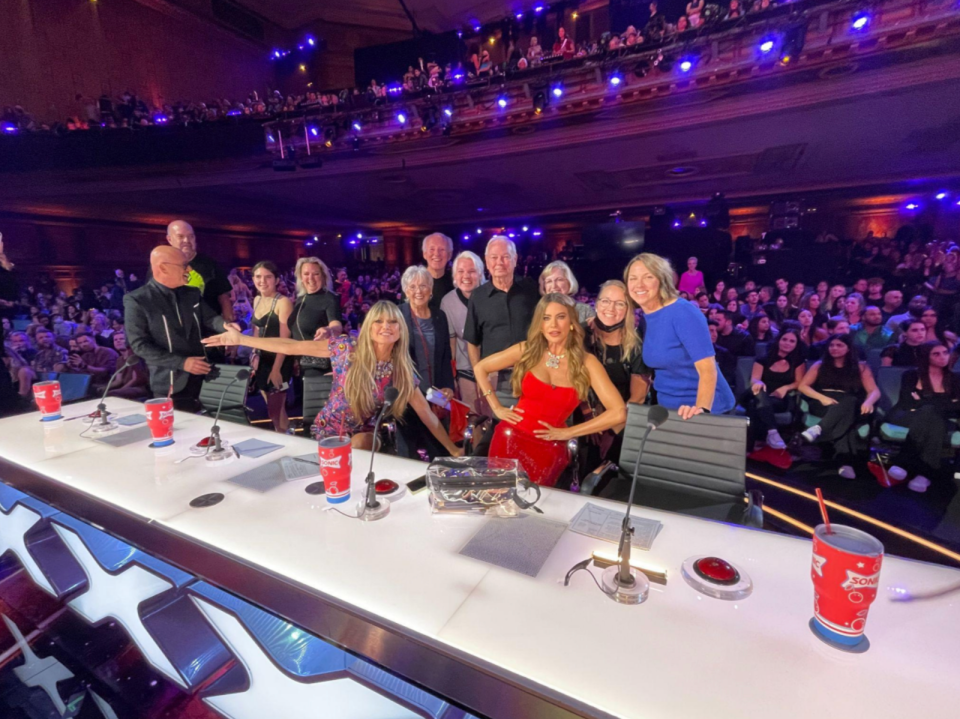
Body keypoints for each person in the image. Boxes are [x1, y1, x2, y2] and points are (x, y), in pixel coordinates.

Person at [202, 302, 461, 459]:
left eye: (393, 321)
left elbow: (428, 415)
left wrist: (452, 449)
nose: (386, 326)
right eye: (379, 321)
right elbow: (291, 346)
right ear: (369, 326)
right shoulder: (346, 348)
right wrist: (243, 340)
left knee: (358, 446)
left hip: (365, 435)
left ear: (400, 329)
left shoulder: (402, 371)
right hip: (327, 431)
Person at [473, 294, 626, 486]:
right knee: (498, 498)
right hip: (509, 439)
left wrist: (569, 433)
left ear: (571, 322)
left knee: (536, 505)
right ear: (540, 324)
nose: (553, 324)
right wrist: (496, 407)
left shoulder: (586, 363)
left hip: (550, 446)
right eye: (546, 318)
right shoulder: (527, 350)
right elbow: (481, 368)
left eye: (560, 317)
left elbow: (619, 413)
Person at [124, 246, 234, 410]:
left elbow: (210, 318)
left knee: (213, 428)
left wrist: (226, 326)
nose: (189, 269)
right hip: (169, 382)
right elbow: (139, 345)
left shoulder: (192, 293)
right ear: (163, 268)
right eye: (184, 265)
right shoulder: (138, 300)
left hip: (204, 375)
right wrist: (182, 363)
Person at [626, 253, 734, 418]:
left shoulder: (683, 312)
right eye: (632, 278)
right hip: (669, 409)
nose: (638, 284)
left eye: (648, 277)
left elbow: (708, 370)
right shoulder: (645, 319)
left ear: (662, 280)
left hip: (705, 409)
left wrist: (702, 410)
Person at [464, 236, 540, 410]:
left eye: (505, 257)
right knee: (501, 429)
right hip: (495, 379)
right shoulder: (478, 297)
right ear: (487, 262)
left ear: (515, 260)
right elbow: (472, 343)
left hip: (533, 374)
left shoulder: (531, 289)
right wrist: (480, 378)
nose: (499, 262)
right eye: (494, 257)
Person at [799, 334, 880, 478]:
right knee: (847, 418)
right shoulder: (819, 365)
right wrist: (822, 398)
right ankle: (845, 463)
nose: (834, 348)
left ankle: (819, 429)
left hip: (848, 403)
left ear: (848, 348)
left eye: (839, 345)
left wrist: (868, 402)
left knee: (850, 402)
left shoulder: (861, 367)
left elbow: (874, 391)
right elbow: (803, 386)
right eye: (831, 345)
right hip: (823, 402)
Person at [887, 342, 960, 492]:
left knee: (931, 415)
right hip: (907, 415)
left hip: (943, 420)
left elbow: (957, 407)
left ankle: (903, 461)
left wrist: (924, 400)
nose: (943, 357)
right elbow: (907, 402)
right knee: (929, 412)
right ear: (926, 357)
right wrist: (945, 401)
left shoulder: (955, 378)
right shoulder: (911, 375)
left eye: (945, 353)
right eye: (936, 354)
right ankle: (925, 474)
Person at [250, 261, 294, 433]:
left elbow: (285, 339)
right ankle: (283, 435)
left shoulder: (283, 302)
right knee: (271, 407)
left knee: (276, 408)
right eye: (258, 277)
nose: (262, 281)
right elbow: (256, 331)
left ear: (276, 280)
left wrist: (276, 369)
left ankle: (285, 437)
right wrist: (254, 354)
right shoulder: (256, 299)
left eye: (268, 277)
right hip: (262, 360)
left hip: (280, 360)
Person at [441, 251, 486, 413]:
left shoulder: (491, 295)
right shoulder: (448, 301)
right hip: (465, 367)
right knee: (473, 414)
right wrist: (451, 376)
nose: (466, 276)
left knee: (492, 414)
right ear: (454, 275)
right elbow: (452, 342)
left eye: (472, 271)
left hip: (493, 366)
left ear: (480, 274)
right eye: (460, 271)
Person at [399, 266, 454, 398]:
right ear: (406, 291)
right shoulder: (398, 315)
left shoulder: (440, 316)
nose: (418, 291)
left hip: (436, 391)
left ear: (430, 289)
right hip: (408, 392)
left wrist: (448, 385)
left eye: (423, 286)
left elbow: (446, 356)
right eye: (412, 287)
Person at [745, 330, 805, 449]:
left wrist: (786, 387)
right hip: (759, 392)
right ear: (778, 341)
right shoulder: (763, 359)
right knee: (760, 395)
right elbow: (754, 379)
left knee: (754, 405)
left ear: (796, 345)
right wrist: (759, 382)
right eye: (784, 339)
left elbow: (799, 383)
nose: (787, 343)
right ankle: (773, 432)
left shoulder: (798, 361)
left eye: (792, 341)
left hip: (780, 398)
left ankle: (750, 446)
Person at [166, 220, 234, 322]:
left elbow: (224, 297)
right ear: (169, 239)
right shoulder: (162, 265)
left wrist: (229, 323)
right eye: (180, 236)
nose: (187, 240)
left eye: (191, 236)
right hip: (176, 327)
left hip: (209, 326)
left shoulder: (210, 264)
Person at [288, 257, 342, 378]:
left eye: (316, 274)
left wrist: (329, 330)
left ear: (323, 276)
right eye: (306, 274)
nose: (310, 278)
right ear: (301, 277)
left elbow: (336, 325)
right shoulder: (300, 299)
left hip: (319, 365)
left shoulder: (330, 298)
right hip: (300, 363)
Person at [539, 261, 596, 325]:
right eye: (549, 281)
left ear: (569, 282)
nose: (554, 286)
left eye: (559, 279)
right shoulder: (539, 310)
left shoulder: (585, 310)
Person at [107, 330, 149, 399]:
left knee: (113, 394)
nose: (118, 341)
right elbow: (118, 380)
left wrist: (121, 389)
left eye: (121, 339)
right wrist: (105, 388)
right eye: (115, 340)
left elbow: (135, 379)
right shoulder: (119, 359)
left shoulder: (134, 356)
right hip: (127, 387)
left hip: (139, 387)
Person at [422, 233, 454, 309]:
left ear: (449, 255)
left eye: (442, 249)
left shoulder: (456, 283)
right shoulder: (413, 282)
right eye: (432, 249)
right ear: (424, 254)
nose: (436, 254)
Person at [708, 320, 737, 392]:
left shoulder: (724, 353)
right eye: (711, 331)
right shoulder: (691, 352)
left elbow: (728, 376)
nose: (715, 334)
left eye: (716, 331)